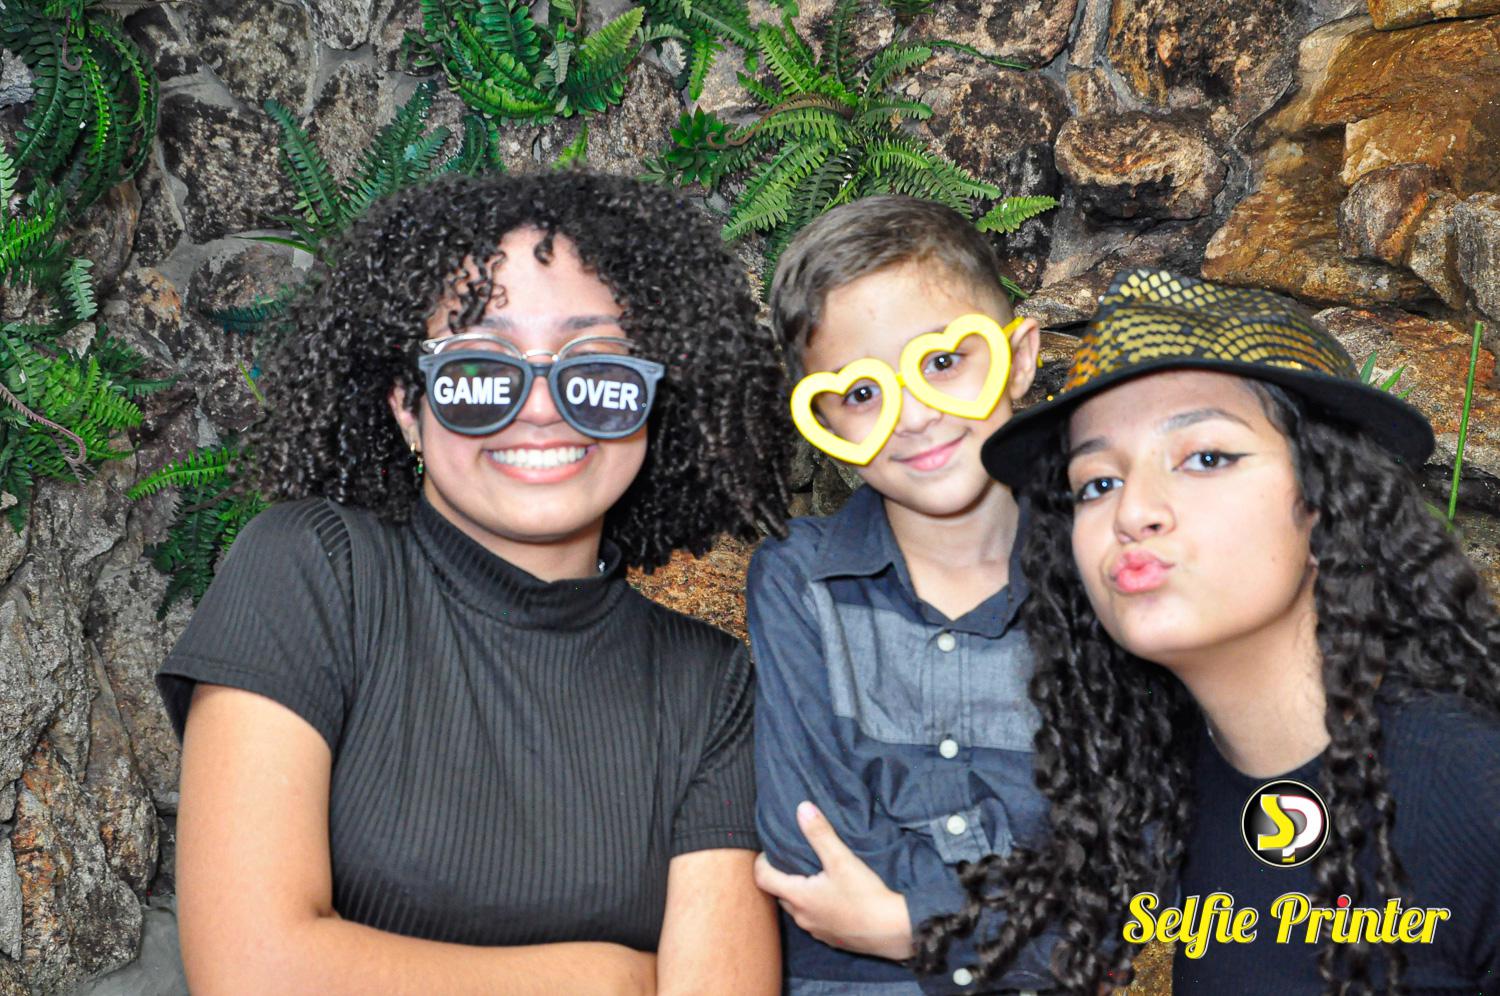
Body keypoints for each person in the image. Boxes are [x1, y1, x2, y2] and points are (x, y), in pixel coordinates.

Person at [157, 171, 791, 995]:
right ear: (407, 406)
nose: (541, 408)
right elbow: (252, 973)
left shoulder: (715, 686)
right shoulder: (313, 570)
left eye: (594, 367)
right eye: (480, 369)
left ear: (650, 401)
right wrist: (608, 980)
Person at [916, 269, 1500, 993]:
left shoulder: (1474, 787)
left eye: (1206, 458)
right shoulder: (1154, 784)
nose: (1134, 512)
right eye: (1097, 483)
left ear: (1327, 500)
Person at [746, 195, 1063, 995]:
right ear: (819, 421)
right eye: (861, 394)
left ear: (1019, 358)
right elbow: (809, 844)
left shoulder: (1099, 580)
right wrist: (1021, 923)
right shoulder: (797, 581)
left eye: (943, 362)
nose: (915, 416)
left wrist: (910, 924)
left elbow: (1131, 881)